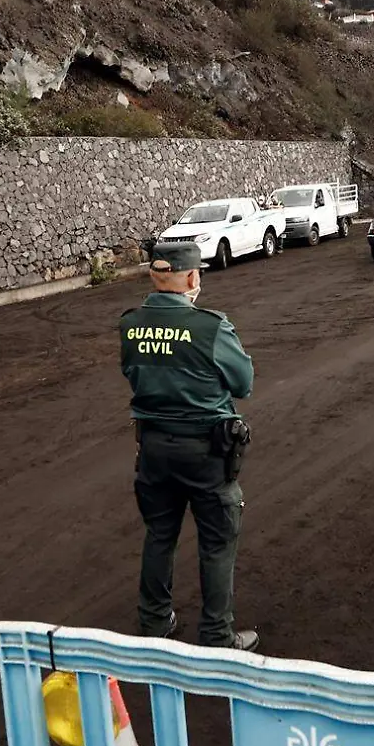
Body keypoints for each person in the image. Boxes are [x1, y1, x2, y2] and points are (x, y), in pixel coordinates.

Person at [120, 241, 259, 652]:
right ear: (193, 277)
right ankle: (217, 635)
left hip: (154, 448)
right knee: (217, 541)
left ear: (153, 276)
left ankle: (154, 624)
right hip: (206, 451)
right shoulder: (211, 326)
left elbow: (131, 371)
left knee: (159, 535)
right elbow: (243, 383)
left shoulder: (131, 324)